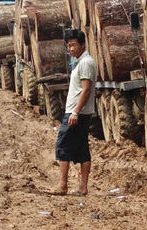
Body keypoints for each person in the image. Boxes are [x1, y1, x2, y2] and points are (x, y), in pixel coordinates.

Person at [53, 29, 96, 196]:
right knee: (82, 150)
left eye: (73, 45)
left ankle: (62, 185)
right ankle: (83, 187)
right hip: (79, 112)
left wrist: (75, 112)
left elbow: (85, 90)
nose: (70, 49)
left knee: (62, 146)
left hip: (76, 113)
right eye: (68, 46)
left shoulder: (85, 62)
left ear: (82, 44)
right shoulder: (80, 61)